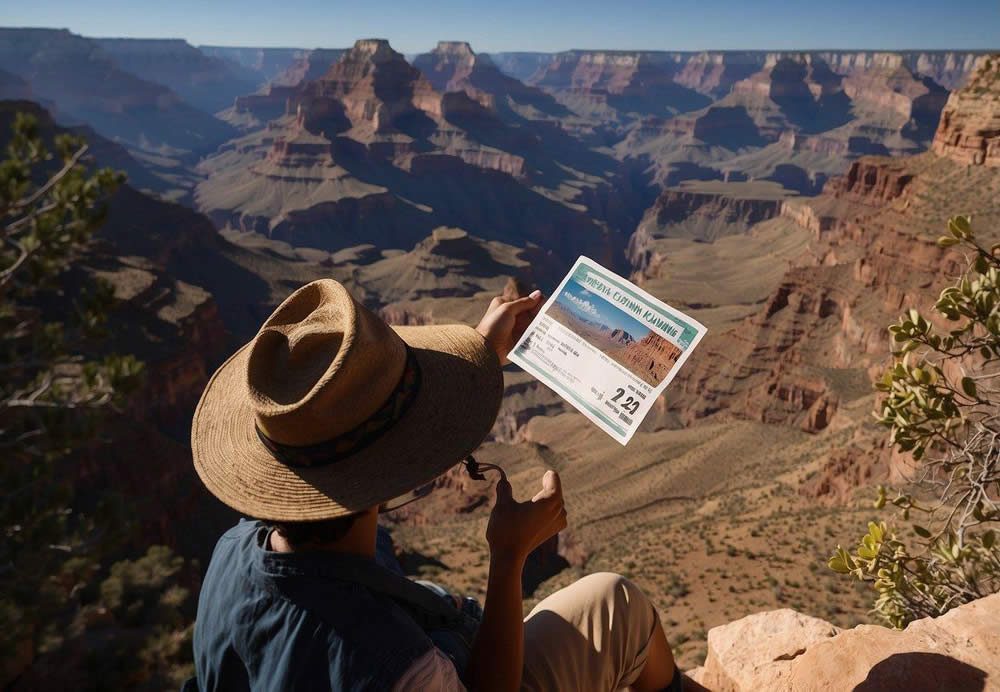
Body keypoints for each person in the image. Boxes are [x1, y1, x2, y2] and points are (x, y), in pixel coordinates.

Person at [187, 278, 682, 691]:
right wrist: (509, 560)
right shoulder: (393, 661)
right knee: (616, 605)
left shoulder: (235, 549)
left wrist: (481, 352)